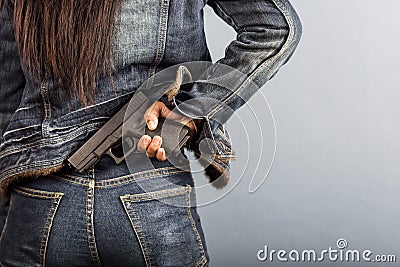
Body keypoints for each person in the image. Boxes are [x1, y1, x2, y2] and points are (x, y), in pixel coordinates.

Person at [0, 0, 302, 266]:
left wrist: (7, 215)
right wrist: (192, 111)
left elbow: (7, 101)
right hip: (149, 194)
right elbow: (276, 28)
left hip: (39, 201)